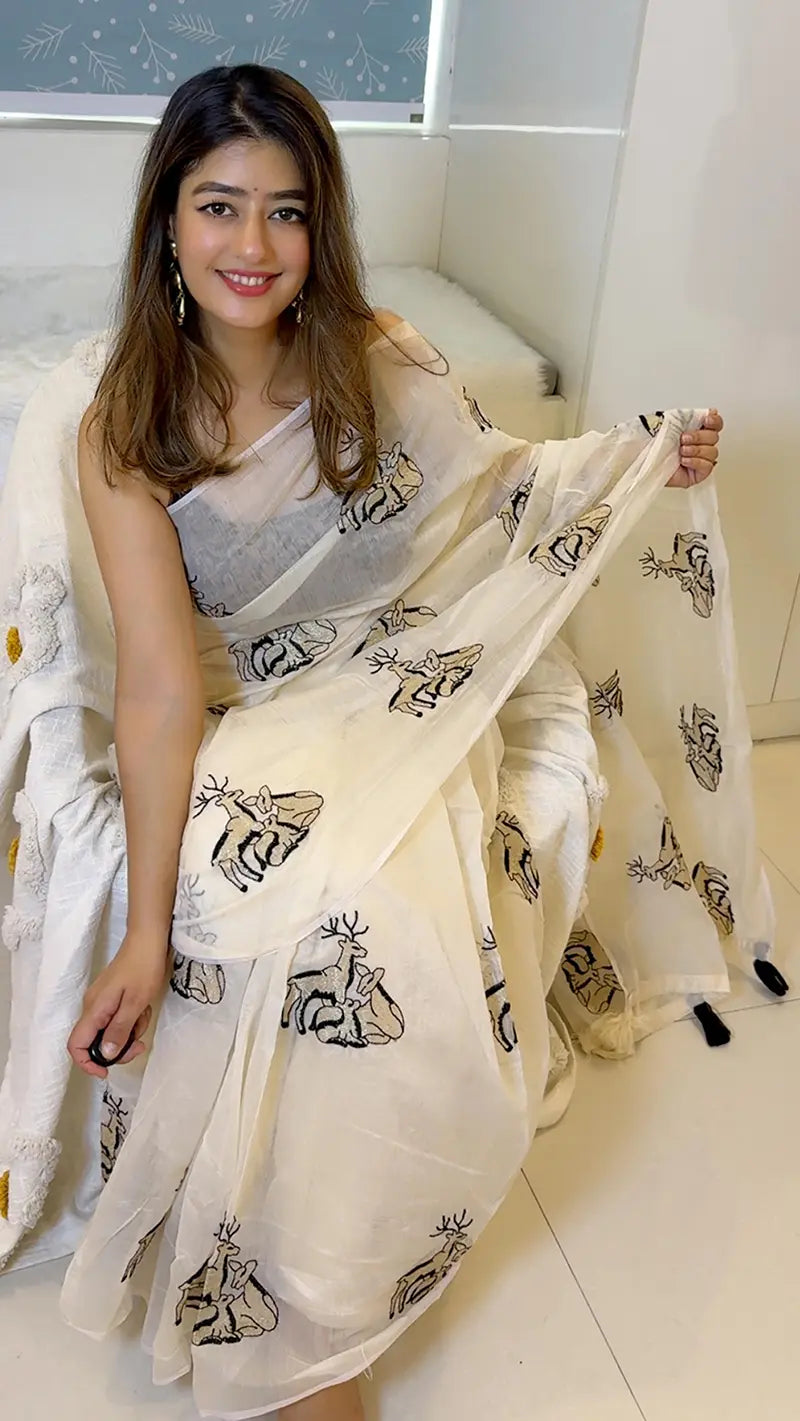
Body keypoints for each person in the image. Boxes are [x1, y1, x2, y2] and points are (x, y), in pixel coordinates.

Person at [1, 63, 761, 1421]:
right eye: (219, 206)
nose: (253, 247)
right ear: (167, 223)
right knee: (270, 915)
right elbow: (167, 691)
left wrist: (643, 458)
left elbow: (495, 488)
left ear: (322, 225)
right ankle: (292, 1311)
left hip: (401, 678)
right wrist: (143, 924)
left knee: (390, 919)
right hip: (252, 718)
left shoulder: (378, 356)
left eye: (287, 212)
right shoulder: (128, 421)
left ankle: (327, 1317)